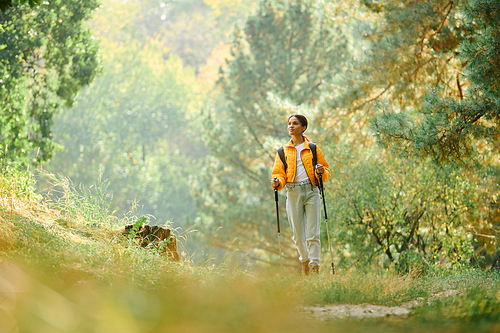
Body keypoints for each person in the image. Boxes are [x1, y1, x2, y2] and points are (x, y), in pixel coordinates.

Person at [271, 114, 330, 275]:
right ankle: (305, 261)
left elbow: (326, 170)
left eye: (295, 123)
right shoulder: (282, 151)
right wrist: (277, 182)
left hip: (311, 191)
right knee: (297, 235)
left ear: (303, 128)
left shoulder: (312, 148)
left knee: (313, 234)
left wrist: (321, 171)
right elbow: (279, 174)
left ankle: (315, 267)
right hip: (293, 192)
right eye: (289, 123)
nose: (291, 126)